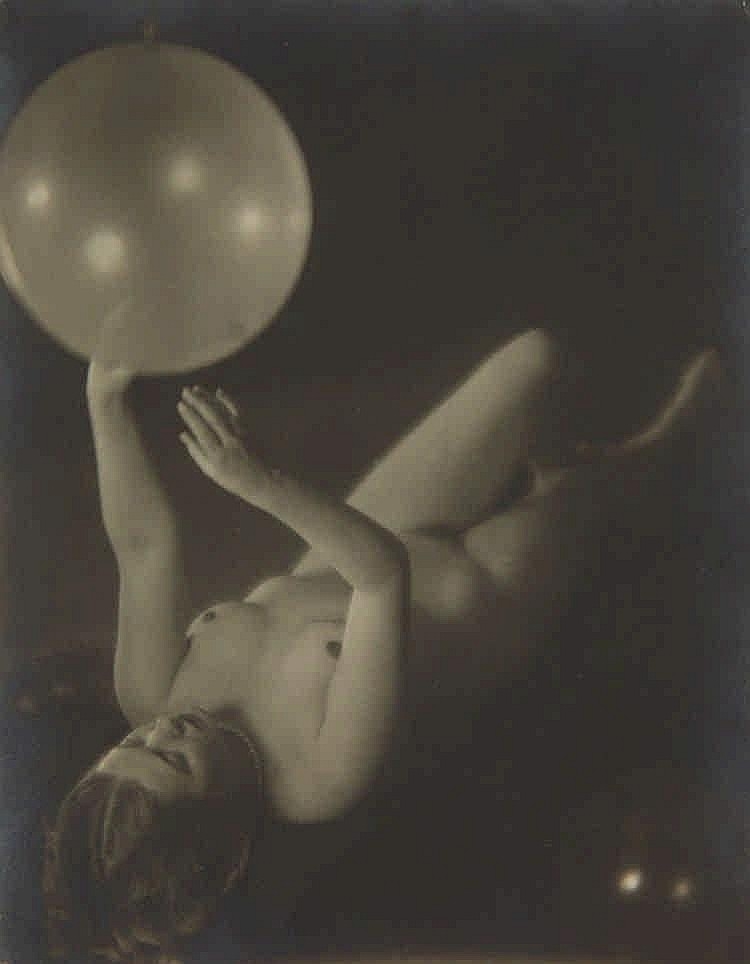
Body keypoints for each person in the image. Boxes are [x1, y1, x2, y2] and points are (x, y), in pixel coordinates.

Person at [44, 329, 719, 962]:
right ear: (217, 824)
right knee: (600, 481)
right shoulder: (316, 781)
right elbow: (381, 577)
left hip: (370, 526)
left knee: (536, 356)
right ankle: (680, 432)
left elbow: (143, 547)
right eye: (174, 760)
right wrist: (257, 481)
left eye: (133, 744)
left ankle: (581, 454)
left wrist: (104, 403)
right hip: (481, 590)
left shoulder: (149, 692)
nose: (164, 728)